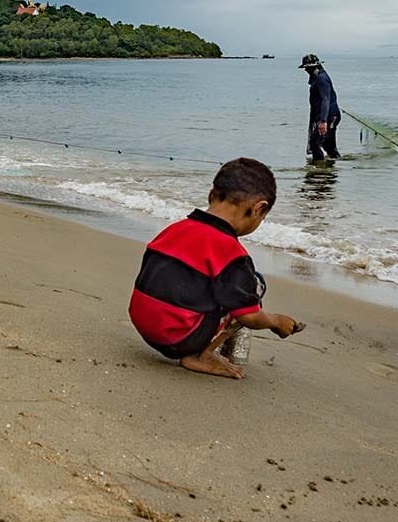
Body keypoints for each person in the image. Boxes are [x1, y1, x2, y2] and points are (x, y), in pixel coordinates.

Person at [128, 157, 305, 379]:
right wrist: (277, 321)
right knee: (253, 285)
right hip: (178, 339)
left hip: (145, 326)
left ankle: (207, 342)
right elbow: (249, 317)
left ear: (212, 195)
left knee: (217, 282)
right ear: (259, 209)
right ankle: (202, 355)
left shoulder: (174, 229)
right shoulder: (231, 253)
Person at [300, 53, 341, 160]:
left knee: (315, 143)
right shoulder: (318, 77)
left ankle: (318, 171)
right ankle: (331, 170)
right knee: (328, 145)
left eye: (307, 68)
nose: (305, 70)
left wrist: (323, 121)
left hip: (329, 116)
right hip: (329, 115)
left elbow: (325, 100)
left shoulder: (321, 79)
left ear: (313, 66)